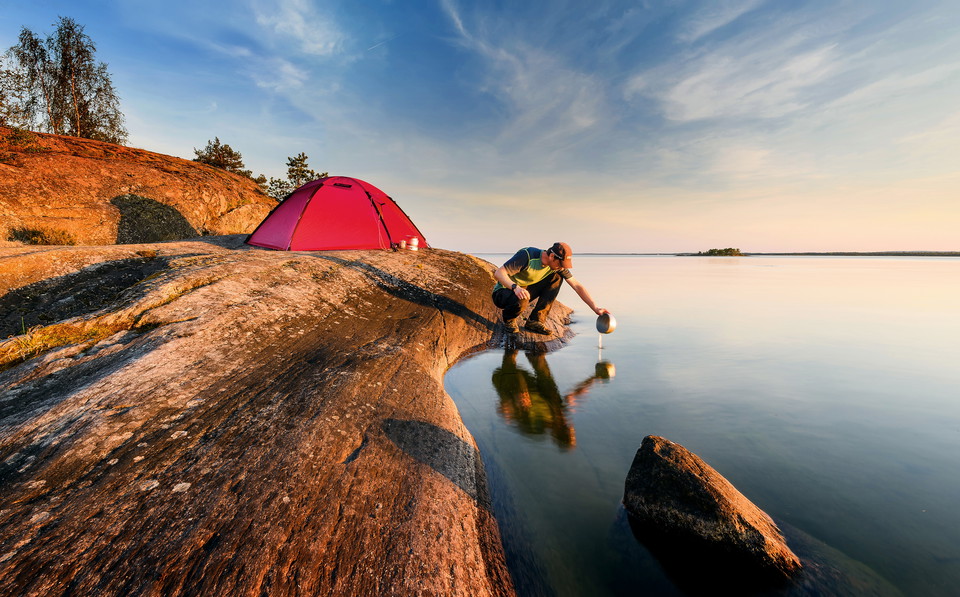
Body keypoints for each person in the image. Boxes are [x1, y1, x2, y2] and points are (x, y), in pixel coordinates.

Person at [492, 242, 609, 335]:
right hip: (504, 292)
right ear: (552, 256)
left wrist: (595, 308)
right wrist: (515, 287)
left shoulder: (556, 267)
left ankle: (535, 321)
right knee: (521, 298)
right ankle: (509, 320)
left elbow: (577, 286)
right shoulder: (527, 255)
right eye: (560, 264)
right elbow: (498, 273)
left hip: (524, 290)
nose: (561, 267)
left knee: (557, 277)